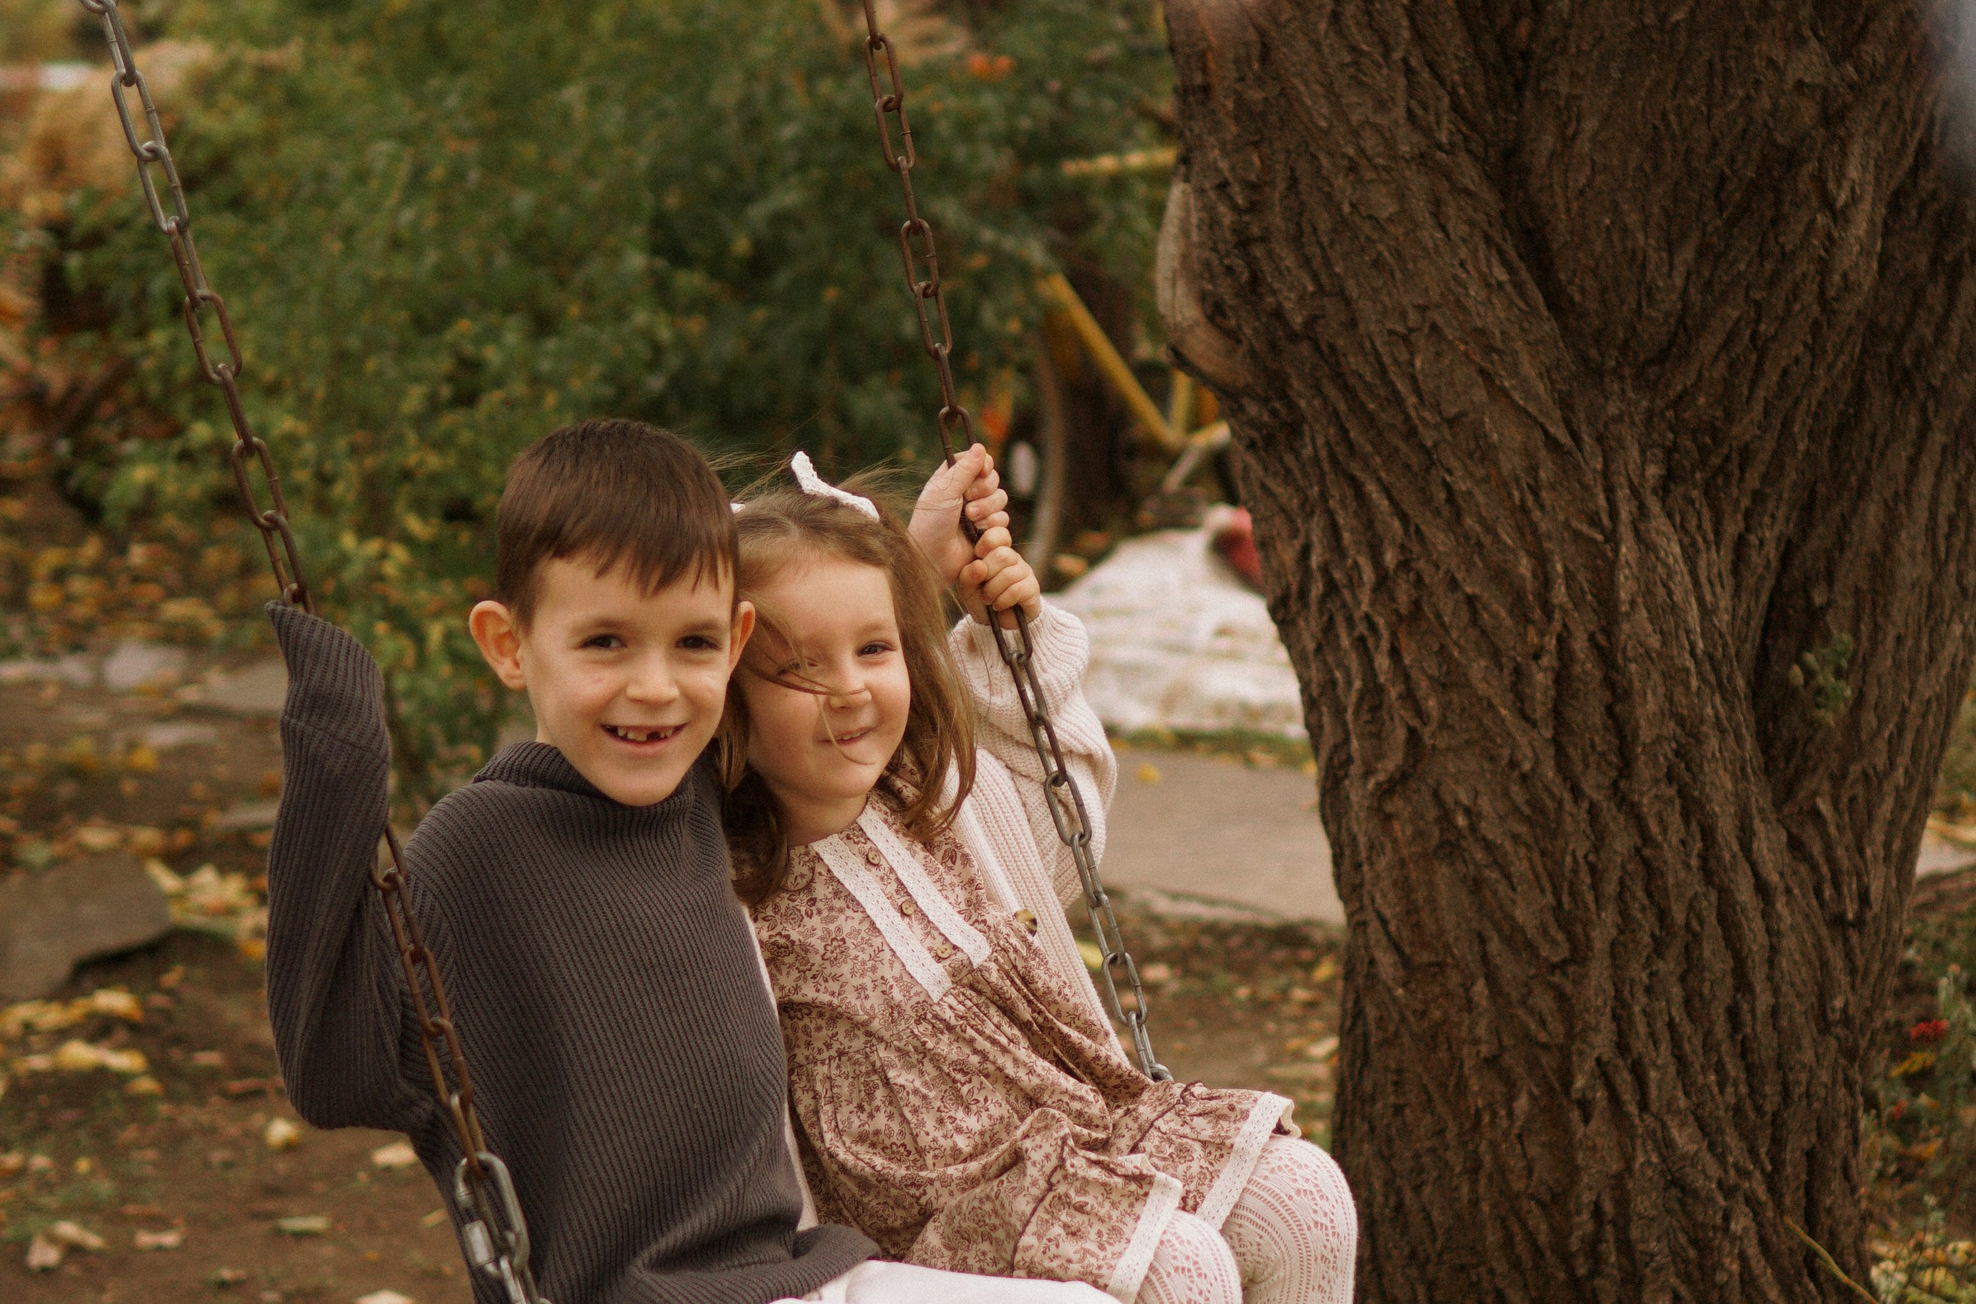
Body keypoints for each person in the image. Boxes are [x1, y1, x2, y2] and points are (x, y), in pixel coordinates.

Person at [263, 417, 1112, 1304]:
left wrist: (913, 568)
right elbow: (333, 1072)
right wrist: (335, 769)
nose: (657, 687)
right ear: (509, 645)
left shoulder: (711, 792)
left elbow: (831, 679)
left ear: (737, 641)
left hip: (797, 1271)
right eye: (605, 642)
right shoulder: (476, 849)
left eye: (695, 644)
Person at [716, 458, 1357, 1304]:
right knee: (1183, 1270)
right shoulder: (728, 872)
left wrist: (995, 625)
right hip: (935, 1218)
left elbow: (1063, 849)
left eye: (875, 650)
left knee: (1309, 1198)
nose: (849, 689)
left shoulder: (929, 789)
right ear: (724, 691)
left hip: (1074, 1132)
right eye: (797, 669)